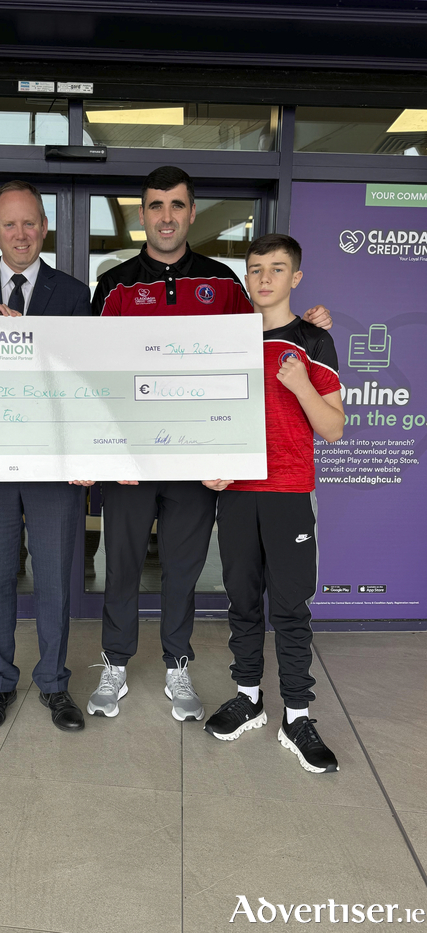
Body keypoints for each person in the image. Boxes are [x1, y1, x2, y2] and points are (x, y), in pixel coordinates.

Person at [86, 166, 332, 723]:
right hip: (129, 459)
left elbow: (256, 349)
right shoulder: (116, 283)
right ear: (141, 214)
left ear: (191, 213)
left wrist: (313, 326)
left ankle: (177, 663)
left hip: (196, 461)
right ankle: (115, 664)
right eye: (155, 206)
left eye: (176, 205)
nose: (166, 216)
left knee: (183, 567)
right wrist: (103, 450)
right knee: (121, 564)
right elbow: (93, 372)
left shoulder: (224, 283)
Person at [0, 180, 91, 731]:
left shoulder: (75, 293)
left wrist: (23, 335)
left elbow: (82, 374)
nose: (21, 233)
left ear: (44, 228)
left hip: (55, 461)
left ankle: (54, 684)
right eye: (10, 223)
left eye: (30, 223)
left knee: (55, 577)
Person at [203, 234, 343, 773]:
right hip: (236, 496)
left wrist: (301, 385)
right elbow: (205, 414)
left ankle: (298, 715)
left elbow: (333, 428)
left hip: (288, 493)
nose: (265, 278)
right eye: (256, 268)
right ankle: (249, 698)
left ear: (296, 278)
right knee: (241, 601)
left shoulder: (313, 339)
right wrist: (207, 469)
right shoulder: (227, 338)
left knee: (289, 607)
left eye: (277, 269)